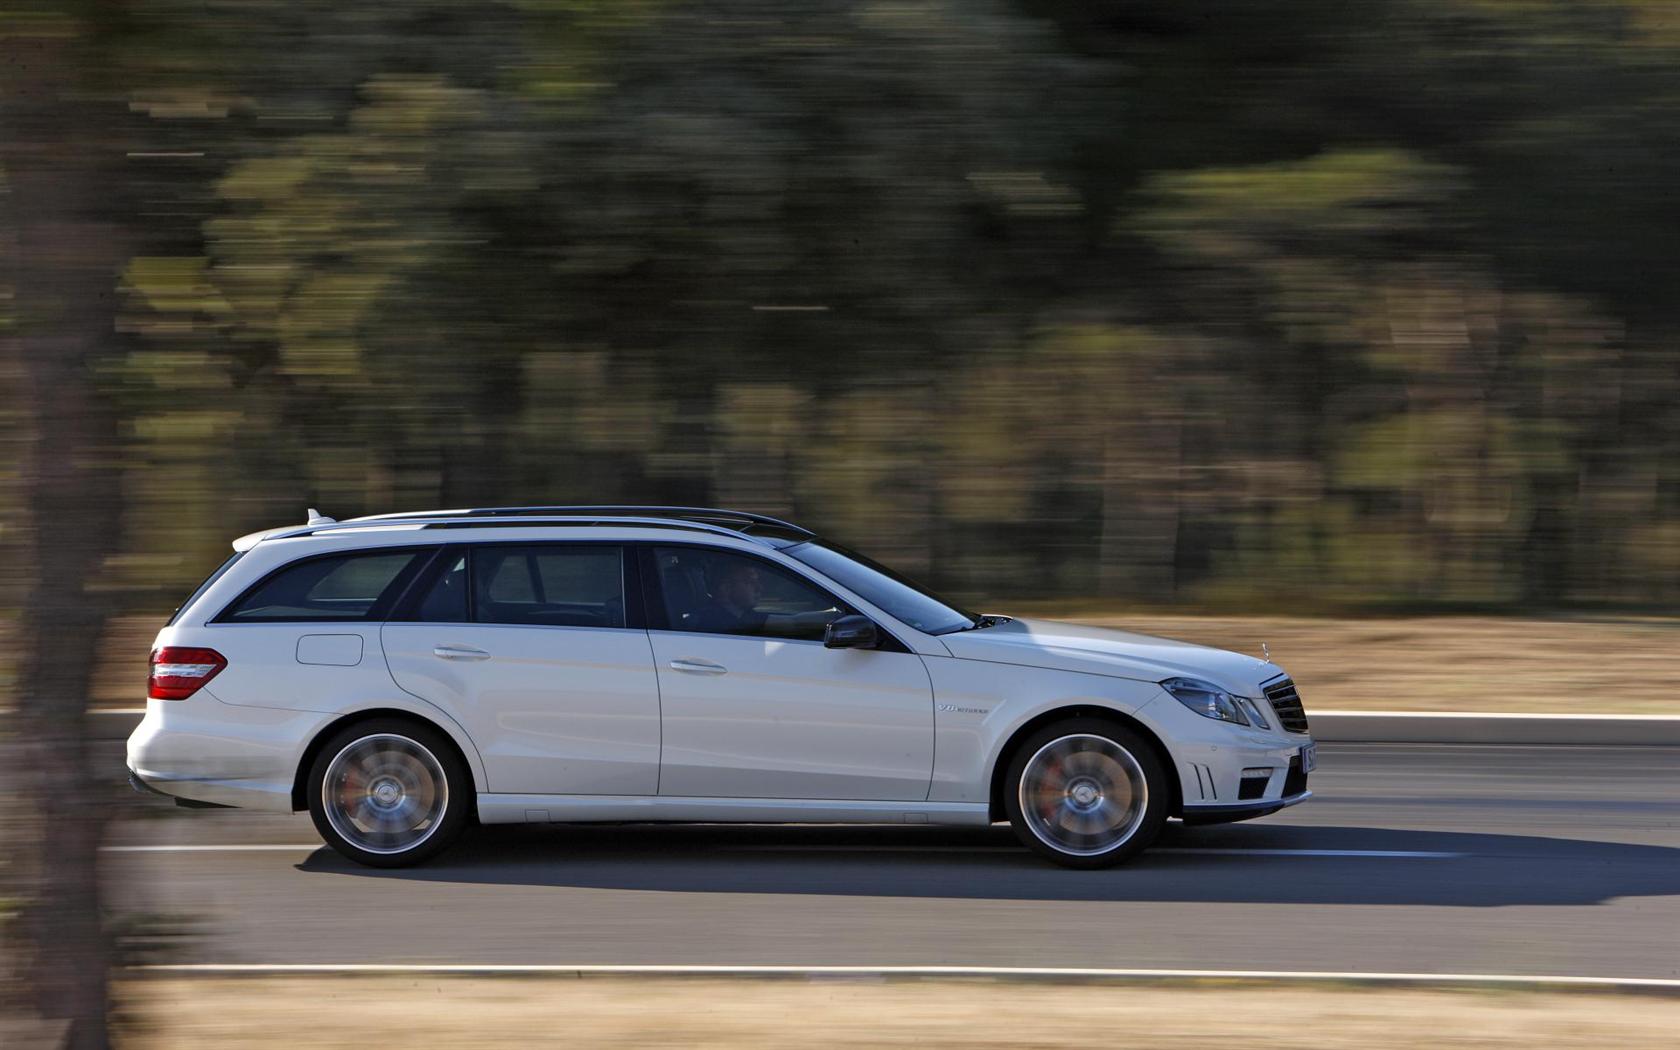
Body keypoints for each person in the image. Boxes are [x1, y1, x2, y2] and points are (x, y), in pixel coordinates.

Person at [684, 558, 768, 635]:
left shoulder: (745, 615)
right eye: (749, 582)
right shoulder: (712, 625)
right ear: (726, 588)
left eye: (757, 581)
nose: (759, 588)